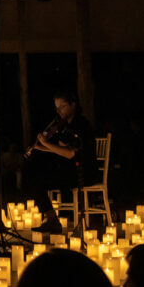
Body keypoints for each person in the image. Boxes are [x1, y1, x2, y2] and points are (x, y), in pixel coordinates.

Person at [22, 90, 97, 233]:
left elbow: (70, 154)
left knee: (37, 178)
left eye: (62, 107)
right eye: (56, 107)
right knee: (34, 174)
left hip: (83, 174)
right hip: (73, 171)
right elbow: (62, 150)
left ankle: (52, 221)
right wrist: (41, 147)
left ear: (73, 105)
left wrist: (46, 143)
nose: (58, 111)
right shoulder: (66, 125)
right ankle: (51, 219)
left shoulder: (81, 124)